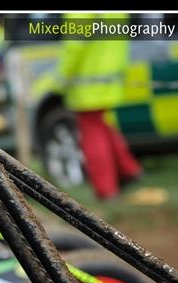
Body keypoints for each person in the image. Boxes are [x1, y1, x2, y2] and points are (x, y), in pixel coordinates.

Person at [57, 13, 142, 200]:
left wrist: (61, 78)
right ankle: (129, 171)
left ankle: (106, 189)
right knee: (103, 126)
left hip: (87, 85)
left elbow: (74, 48)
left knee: (92, 134)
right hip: (110, 81)